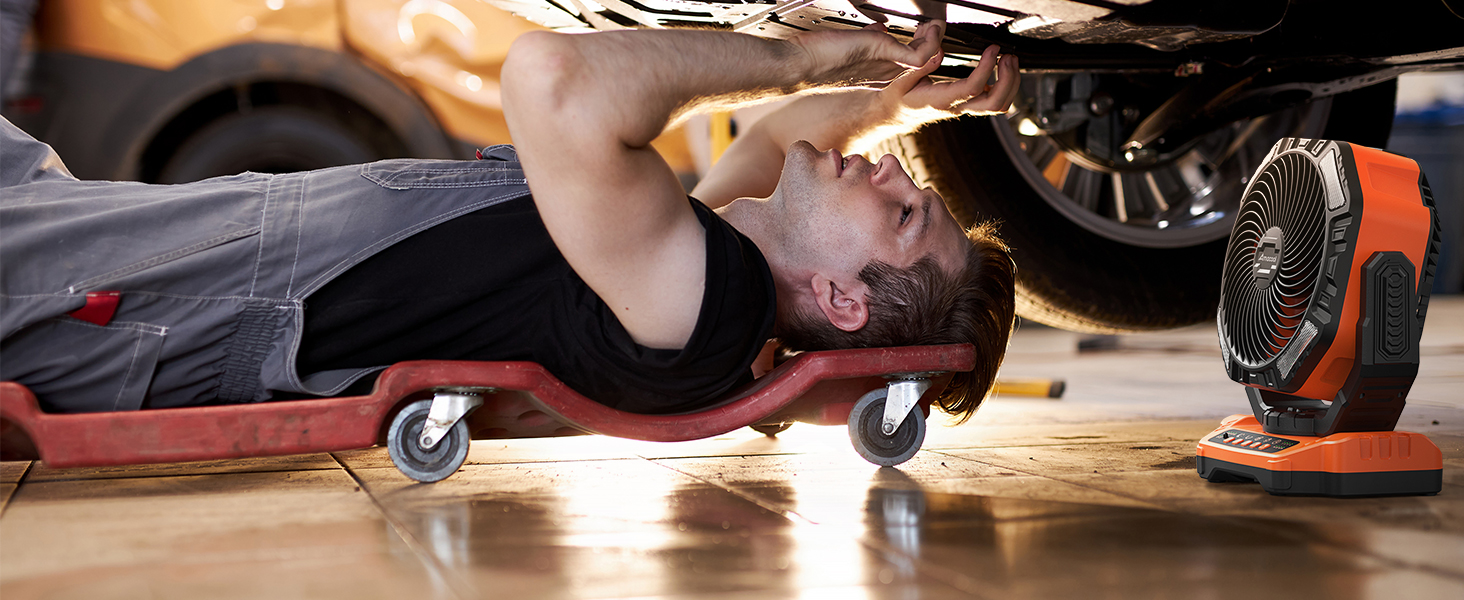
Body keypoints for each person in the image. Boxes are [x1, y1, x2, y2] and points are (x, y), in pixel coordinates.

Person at [0, 21, 1018, 419]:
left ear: (840, 299)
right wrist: (921, 90)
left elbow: (554, 77)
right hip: (200, 257)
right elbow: (780, 134)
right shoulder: (699, 261)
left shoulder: (707, 308)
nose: (891, 174)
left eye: (901, 215)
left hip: (183, 301)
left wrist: (811, 56)